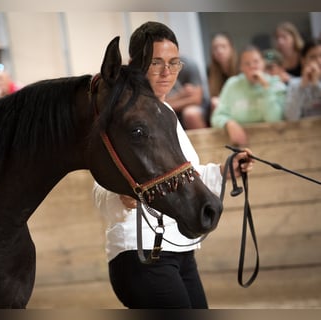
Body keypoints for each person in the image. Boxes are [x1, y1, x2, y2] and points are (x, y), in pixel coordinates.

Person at [92, 21, 254, 309]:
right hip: (140, 252)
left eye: (173, 62)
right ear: (136, 64)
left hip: (179, 250)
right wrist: (119, 196)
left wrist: (224, 171)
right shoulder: (126, 114)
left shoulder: (164, 111)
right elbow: (101, 185)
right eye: (157, 63)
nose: (167, 72)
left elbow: (183, 175)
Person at [210, 45, 287, 147]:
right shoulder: (232, 84)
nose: (252, 66)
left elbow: (274, 119)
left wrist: (265, 87)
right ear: (241, 67)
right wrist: (229, 123)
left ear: (263, 63)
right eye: (247, 63)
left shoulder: (276, 84)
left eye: (256, 62)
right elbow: (217, 116)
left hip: (273, 143)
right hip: (241, 146)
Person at [165, 55, 210, 129]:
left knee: (190, 114)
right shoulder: (154, 71)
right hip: (172, 111)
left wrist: (169, 103)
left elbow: (197, 99)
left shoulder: (189, 65)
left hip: (197, 109)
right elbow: (158, 103)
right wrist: (181, 95)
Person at [285, 38, 321, 120]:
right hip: (304, 132)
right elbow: (291, 117)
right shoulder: (294, 84)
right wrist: (301, 87)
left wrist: (316, 85)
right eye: (313, 57)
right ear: (303, 61)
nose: (319, 61)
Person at [207, 32, 239, 114]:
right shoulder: (210, 70)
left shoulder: (240, 67)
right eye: (215, 48)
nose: (219, 51)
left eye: (223, 46)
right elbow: (213, 96)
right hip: (222, 107)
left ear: (231, 49)